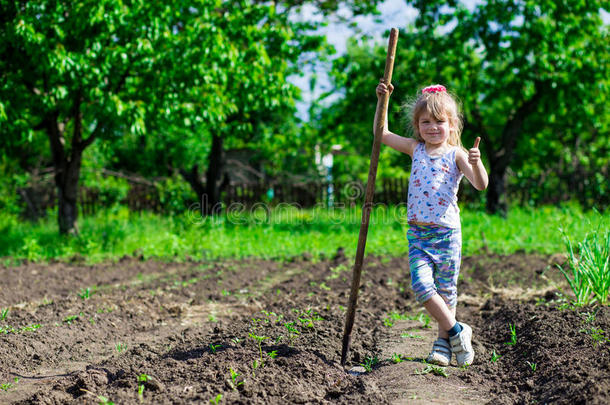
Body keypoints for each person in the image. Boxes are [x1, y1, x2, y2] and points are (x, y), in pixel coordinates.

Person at [374, 81, 488, 367]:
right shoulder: (416, 149)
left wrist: (477, 163)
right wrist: (382, 100)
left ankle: (442, 343)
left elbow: (480, 185)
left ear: (451, 125)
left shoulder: (458, 154)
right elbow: (382, 133)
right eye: (426, 122)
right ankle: (457, 331)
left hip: (447, 233)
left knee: (446, 291)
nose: (433, 127)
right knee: (423, 287)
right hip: (418, 234)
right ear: (417, 125)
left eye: (439, 121)